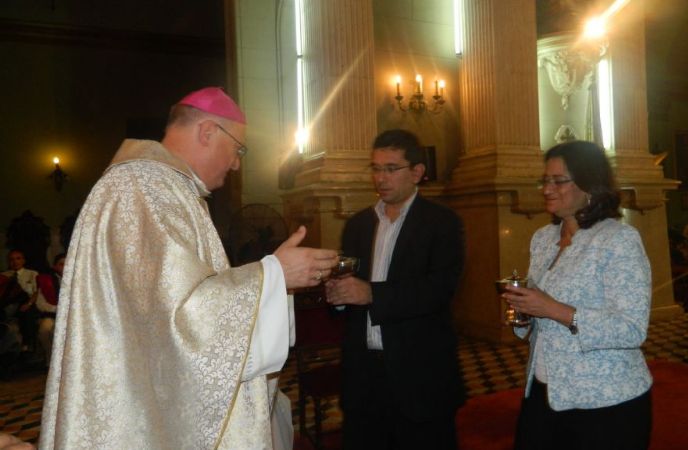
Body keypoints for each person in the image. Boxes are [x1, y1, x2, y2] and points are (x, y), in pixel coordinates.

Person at [39, 87, 338, 450]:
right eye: (238, 148)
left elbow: (171, 304)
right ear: (208, 131)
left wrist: (272, 277)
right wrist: (272, 275)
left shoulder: (164, 187)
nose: (237, 163)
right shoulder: (145, 188)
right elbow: (179, 319)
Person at [504, 140, 652, 450]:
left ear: (590, 185)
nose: (547, 188)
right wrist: (523, 311)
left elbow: (631, 328)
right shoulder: (543, 238)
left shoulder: (618, 240)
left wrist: (553, 309)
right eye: (545, 180)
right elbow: (539, 320)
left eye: (559, 181)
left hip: (605, 402)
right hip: (545, 390)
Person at [325, 129, 465, 450]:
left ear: (416, 172)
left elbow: (439, 289)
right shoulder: (358, 224)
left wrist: (371, 293)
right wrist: (339, 296)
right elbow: (351, 290)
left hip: (420, 375)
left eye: (391, 168)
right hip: (364, 376)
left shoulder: (442, 223)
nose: (381, 178)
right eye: (375, 168)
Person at [1, 250, 39, 354]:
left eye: (18, 258)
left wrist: (29, 303)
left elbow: (36, 292)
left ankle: (26, 344)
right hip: (8, 304)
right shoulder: (4, 275)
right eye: (12, 259)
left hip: (27, 302)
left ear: (23, 260)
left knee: (27, 311)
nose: (15, 262)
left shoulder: (32, 274)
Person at [34, 253, 66, 367]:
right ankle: (51, 358)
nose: (65, 266)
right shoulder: (46, 280)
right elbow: (40, 303)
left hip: (75, 315)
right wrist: (59, 310)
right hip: (53, 314)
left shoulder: (80, 280)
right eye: (61, 264)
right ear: (55, 267)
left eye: (67, 263)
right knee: (45, 329)